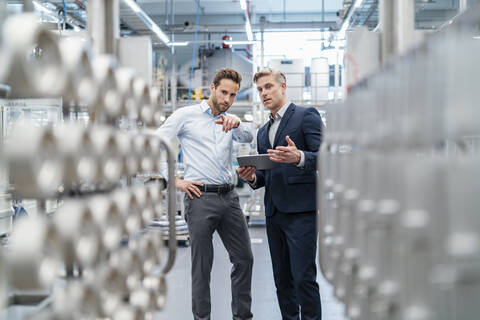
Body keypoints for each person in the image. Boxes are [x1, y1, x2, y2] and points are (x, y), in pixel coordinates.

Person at [155, 68, 254, 320]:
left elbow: (249, 135)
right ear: (212, 88)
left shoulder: (230, 120)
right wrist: (173, 180)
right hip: (200, 198)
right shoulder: (185, 116)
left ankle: (242, 317)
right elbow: (154, 144)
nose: (227, 100)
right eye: (223, 92)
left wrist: (238, 121)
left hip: (229, 198)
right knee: (202, 267)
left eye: (232, 95)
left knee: (244, 259)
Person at [238, 68, 323, 320]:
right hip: (274, 213)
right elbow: (268, 173)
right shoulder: (263, 132)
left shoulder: (306, 116)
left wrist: (301, 157)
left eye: (268, 87)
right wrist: (252, 177)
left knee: (303, 278)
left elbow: (327, 157)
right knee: (282, 280)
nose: (264, 93)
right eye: (260, 89)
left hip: (301, 213)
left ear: (283, 87)